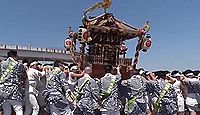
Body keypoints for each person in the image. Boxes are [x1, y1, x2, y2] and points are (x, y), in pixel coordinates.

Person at [0, 50, 26, 115]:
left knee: (6, 111)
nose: (18, 57)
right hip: (14, 91)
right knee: (18, 109)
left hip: (3, 91)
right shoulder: (19, 65)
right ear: (14, 56)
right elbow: (24, 76)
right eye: (17, 56)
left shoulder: (1, 64)